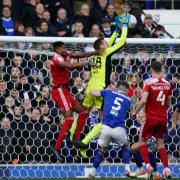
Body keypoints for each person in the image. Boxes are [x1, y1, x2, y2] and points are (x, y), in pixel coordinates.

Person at [74, 13, 130, 158]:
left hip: (90, 87)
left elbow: (109, 42)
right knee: (103, 120)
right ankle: (85, 141)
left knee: (82, 112)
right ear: (102, 47)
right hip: (101, 90)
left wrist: (116, 30)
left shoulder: (96, 54)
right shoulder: (106, 53)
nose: (107, 43)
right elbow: (122, 42)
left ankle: (74, 137)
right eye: (105, 43)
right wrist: (124, 27)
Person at [50, 41, 102, 162]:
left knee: (83, 112)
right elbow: (70, 66)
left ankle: (76, 138)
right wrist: (87, 63)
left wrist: (95, 52)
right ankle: (56, 148)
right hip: (59, 91)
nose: (65, 49)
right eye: (62, 47)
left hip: (66, 91)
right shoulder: (56, 57)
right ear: (57, 49)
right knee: (69, 119)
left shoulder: (65, 53)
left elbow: (81, 54)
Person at [131, 61, 172, 178]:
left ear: (151, 70)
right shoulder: (168, 84)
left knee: (142, 142)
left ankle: (148, 166)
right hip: (163, 118)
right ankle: (167, 169)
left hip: (151, 118)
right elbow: (168, 103)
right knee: (161, 145)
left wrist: (135, 111)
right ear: (161, 69)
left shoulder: (148, 82)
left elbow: (143, 100)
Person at [86, 82, 131, 178]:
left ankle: (92, 172)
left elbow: (92, 92)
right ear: (127, 90)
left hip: (106, 127)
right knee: (125, 147)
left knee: (102, 150)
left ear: (117, 87)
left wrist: (107, 90)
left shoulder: (109, 93)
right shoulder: (128, 100)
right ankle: (127, 169)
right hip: (119, 128)